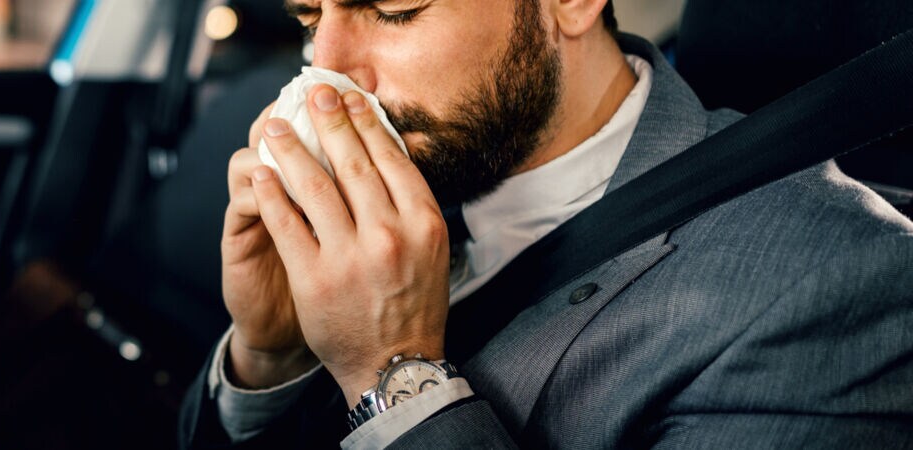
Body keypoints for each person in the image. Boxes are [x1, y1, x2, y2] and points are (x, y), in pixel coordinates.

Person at [178, 0, 913, 448]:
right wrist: (270, 359)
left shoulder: (834, 284)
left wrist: (393, 374)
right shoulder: (415, 173)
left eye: (397, 9)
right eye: (311, 18)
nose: (330, 72)